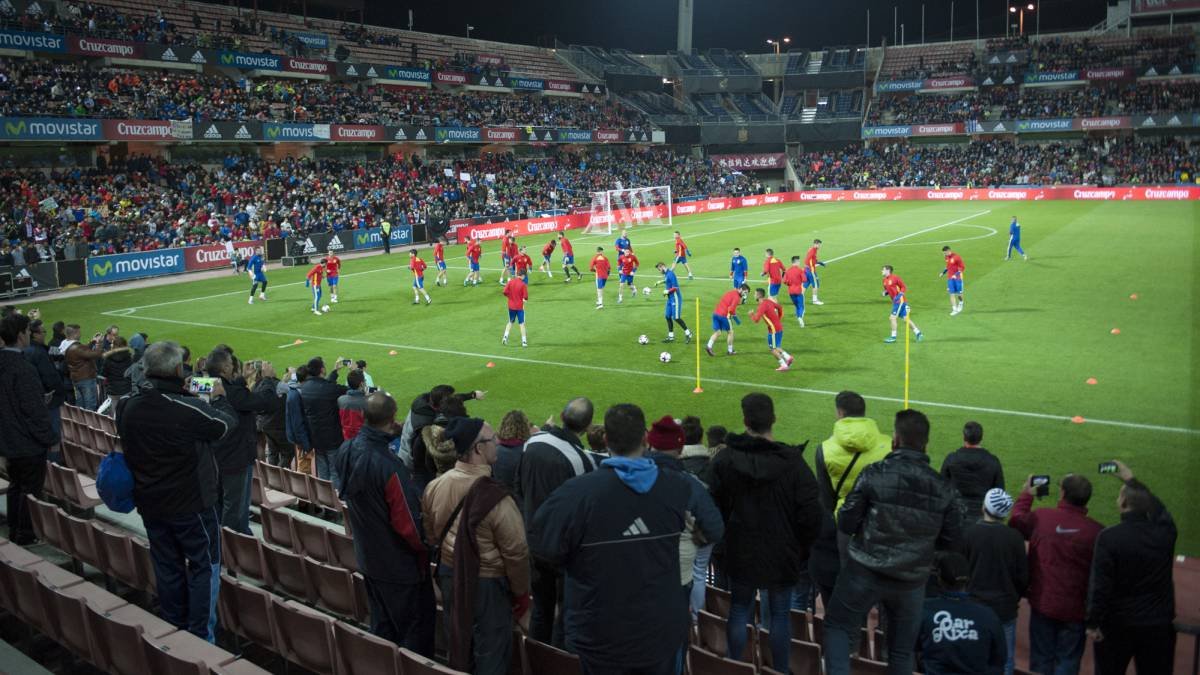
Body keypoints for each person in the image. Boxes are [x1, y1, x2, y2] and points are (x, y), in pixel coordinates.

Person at [530, 403, 694, 675]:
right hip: (658, 634)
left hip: (599, 636)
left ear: (605, 439)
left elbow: (542, 547)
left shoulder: (576, 494)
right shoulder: (677, 488)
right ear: (645, 439)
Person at [823, 409, 962, 675]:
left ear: (895, 439)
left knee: (839, 627)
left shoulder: (874, 473)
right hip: (910, 580)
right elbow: (952, 541)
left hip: (865, 570)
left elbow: (846, 521)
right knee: (901, 650)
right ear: (925, 444)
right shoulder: (944, 487)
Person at [117, 341, 235, 641]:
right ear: (176, 370)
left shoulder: (128, 405)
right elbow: (224, 426)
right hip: (191, 504)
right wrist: (217, 397)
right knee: (203, 567)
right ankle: (200, 639)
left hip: (150, 502)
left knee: (166, 565)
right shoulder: (183, 407)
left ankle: (175, 630)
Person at [704, 393, 821, 671]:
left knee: (740, 609)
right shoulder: (794, 464)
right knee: (779, 614)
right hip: (780, 551)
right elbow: (811, 514)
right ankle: (778, 669)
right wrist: (801, 547)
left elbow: (713, 507)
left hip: (741, 547)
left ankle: (735, 665)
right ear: (774, 419)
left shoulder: (725, 460)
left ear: (745, 421)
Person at [421, 417, 531, 675]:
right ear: (479, 449)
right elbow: (516, 553)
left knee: (459, 643)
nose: (497, 443)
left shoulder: (435, 485)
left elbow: (431, 534)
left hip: (450, 577)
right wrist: (521, 595)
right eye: (493, 439)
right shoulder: (498, 498)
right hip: (487, 586)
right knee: (490, 654)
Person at [335, 392, 435, 654]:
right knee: (414, 634)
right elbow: (410, 528)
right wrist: (429, 546)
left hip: (368, 557)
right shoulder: (389, 467)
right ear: (392, 417)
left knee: (383, 627)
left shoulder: (347, 449)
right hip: (398, 567)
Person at [515, 397, 597, 648]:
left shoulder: (533, 442)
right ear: (587, 427)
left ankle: (537, 660)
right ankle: (558, 661)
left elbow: (519, 486)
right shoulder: (582, 461)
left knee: (541, 607)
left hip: (533, 540)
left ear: (562, 415)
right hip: (563, 549)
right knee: (565, 611)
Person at [1086, 461, 1177, 675]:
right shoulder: (1165, 533)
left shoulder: (1110, 538)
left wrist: (1093, 621)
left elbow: (1100, 585)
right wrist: (1131, 480)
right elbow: (1160, 510)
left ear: (1123, 503)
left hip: (1117, 625)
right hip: (1158, 625)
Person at [1009, 474, 1103, 675]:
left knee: (1041, 660)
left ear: (1062, 493)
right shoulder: (1097, 532)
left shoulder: (1042, 517)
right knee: (1068, 663)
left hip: (1044, 602)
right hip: (1076, 609)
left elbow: (1015, 521)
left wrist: (1027, 493)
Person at [0, 312, 58, 545]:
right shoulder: (21, 368)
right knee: (29, 491)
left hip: (8, 440)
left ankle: (16, 530)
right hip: (26, 443)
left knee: (16, 487)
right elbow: (33, 411)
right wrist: (50, 437)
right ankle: (25, 533)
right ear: (21, 335)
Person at [813, 390, 891, 556]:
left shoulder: (824, 449)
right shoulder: (890, 445)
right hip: (881, 523)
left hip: (844, 525)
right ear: (863, 412)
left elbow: (826, 499)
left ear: (840, 413)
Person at [206, 348, 274, 534]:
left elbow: (231, 391)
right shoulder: (233, 393)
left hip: (214, 455)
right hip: (235, 457)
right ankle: (235, 548)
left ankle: (220, 543)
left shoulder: (202, 384)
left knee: (218, 503)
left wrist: (241, 379)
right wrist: (267, 378)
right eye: (229, 363)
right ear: (224, 368)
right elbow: (266, 402)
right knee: (235, 509)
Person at [960, 488, 1027, 675]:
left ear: (984, 507)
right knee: (1005, 660)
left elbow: (960, 571)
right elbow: (1022, 577)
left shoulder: (969, 533)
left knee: (972, 657)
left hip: (973, 606)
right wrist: (1014, 598)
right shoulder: (1015, 538)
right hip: (1004, 608)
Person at [918, 552, 1007, 675]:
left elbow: (911, 649)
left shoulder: (924, 609)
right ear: (969, 579)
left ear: (939, 578)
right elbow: (999, 660)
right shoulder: (988, 615)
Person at [940, 421, 1005, 524]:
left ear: (964, 437)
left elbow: (941, 488)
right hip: (983, 517)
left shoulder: (951, 459)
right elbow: (1000, 491)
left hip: (955, 515)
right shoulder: (992, 461)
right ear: (981, 438)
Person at [300, 356, 350, 484]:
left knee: (322, 471)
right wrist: (353, 372)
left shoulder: (305, 387)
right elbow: (348, 390)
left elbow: (324, 386)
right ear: (322, 369)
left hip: (315, 437)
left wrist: (335, 372)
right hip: (332, 437)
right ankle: (336, 502)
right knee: (335, 472)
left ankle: (324, 500)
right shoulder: (327, 389)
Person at [23, 318, 69, 440]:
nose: (44, 335)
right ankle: (54, 459)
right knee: (53, 435)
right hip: (49, 399)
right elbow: (49, 377)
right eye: (43, 332)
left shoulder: (28, 350)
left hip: (38, 398)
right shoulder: (38, 352)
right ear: (35, 334)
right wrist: (59, 391)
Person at [254, 362, 290, 467]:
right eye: (271, 368)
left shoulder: (257, 384)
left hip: (265, 424)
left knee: (272, 451)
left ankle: (272, 477)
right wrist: (291, 377)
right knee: (288, 452)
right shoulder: (275, 384)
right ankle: (280, 477)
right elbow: (291, 390)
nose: (273, 369)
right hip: (277, 423)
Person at [750, 288, 794, 372]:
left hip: (773, 330)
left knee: (772, 349)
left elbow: (756, 320)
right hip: (779, 327)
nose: (754, 295)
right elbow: (780, 307)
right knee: (777, 346)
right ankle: (788, 357)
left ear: (759, 296)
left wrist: (751, 315)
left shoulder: (761, 306)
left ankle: (783, 365)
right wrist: (779, 318)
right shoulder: (768, 301)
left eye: (755, 294)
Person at [63, 324, 104, 410]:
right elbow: (96, 354)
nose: (80, 334)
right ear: (75, 334)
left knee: (80, 404)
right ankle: (90, 423)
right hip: (86, 379)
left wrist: (92, 341)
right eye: (79, 332)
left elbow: (83, 351)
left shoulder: (66, 344)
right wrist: (99, 343)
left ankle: (80, 422)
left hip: (76, 378)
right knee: (90, 404)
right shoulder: (76, 347)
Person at [882, 265, 923, 344]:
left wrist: (899, 296)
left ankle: (893, 337)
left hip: (900, 301)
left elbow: (904, 287)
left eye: (883, 270)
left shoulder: (895, 278)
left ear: (888, 270)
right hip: (896, 302)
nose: (882, 271)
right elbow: (888, 290)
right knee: (906, 319)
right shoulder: (884, 280)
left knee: (892, 318)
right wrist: (885, 293)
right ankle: (918, 333)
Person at [494, 410, 533, 491]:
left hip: (496, 496)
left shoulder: (494, 449)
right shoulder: (527, 452)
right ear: (525, 427)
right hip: (517, 499)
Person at [705, 284, 749, 357]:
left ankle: (709, 346)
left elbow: (728, 303)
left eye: (746, 293)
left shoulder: (731, 292)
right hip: (724, 316)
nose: (745, 294)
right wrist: (736, 319)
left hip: (716, 313)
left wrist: (740, 303)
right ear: (740, 289)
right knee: (730, 332)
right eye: (745, 292)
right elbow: (731, 310)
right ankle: (730, 350)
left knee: (718, 332)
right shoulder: (737, 297)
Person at [654, 262, 693, 344]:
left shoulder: (671, 274)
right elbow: (667, 280)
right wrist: (660, 282)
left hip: (675, 298)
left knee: (676, 317)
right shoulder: (667, 273)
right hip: (669, 299)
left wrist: (667, 291)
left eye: (659, 269)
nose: (659, 271)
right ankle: (671, 336)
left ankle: (688, 333)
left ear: (662, 267)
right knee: (667, 316)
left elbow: (675, 287)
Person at [285, 365, 312, 473]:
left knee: (303, 464)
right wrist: (307, 447)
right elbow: (298, 424)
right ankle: (303, 489)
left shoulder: (294, 390)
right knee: (304, 468)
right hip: (301, 439)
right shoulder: (295, 395)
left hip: (299, 437)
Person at [101, 336, 135, 412]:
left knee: (114, 410)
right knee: (125, 410)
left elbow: (104, 373)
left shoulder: (108, 358)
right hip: (126, 389)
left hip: (113, 389)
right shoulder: (130, 357)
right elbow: (132, 373)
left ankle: (115, 423)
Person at [338, 369, 368, 440]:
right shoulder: (367, 402)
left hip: (346, 438)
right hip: (362, 440)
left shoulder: (341, 400)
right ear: (361, 384)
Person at [502, 274, 528, 347]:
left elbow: (504, 292)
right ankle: (524, 342)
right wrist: (524, 300)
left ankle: (505, 338)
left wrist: (509, 297)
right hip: (519, 307)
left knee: (510, 322)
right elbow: (525, 297)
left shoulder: (510, 282)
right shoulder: (523, 284)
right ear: (522, 275)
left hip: (511, 306)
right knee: (521, 324)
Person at [783, 256, 809, 327]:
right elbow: (804, 280)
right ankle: (800, 318)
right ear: (796, 262)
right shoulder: (800, 270)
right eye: (799, 261)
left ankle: (799, 319)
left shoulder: (788, 270)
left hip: (791, 292)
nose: (799, 263)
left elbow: (784, 281)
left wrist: (789, 283)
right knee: (802, 307)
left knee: (797, 306)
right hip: (798, 292)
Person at [940, 245, 965, 315]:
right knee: (951, 293)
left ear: (948, 251)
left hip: (958, 278)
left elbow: (962, 267)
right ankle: (954, 309)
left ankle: (961, 303)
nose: (944, 254)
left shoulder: (957, 257)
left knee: (959, 294)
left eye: (945, 253)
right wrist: (943, 272)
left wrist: (956, 274)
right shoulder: (946, 257)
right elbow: (948, 266)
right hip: (950, 278)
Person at [804, 239, 826, 305]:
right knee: (816, 285)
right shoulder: (813, 251)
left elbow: (812, 259)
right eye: (819, 244)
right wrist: (810, 267)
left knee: (805, 285)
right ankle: (815, 300)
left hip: (807, 270)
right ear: (816, 244)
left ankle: (798, 299)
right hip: (811, 270)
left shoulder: (811, 249)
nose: (820, 246)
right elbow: (808, 259)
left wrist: (818, 262)